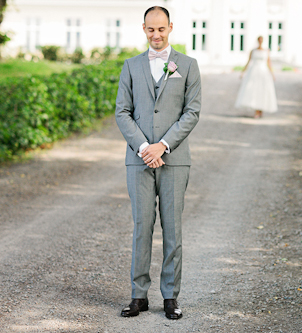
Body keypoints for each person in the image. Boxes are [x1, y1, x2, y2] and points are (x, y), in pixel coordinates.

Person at [115, 6, 201, 320]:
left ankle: (170, 297)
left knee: (173, 230)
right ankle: (139, 296)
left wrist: (162, 146)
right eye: (151, 29)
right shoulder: (130, 66)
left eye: (161, 29)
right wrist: (143, 148)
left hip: (174, 159)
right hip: (138, 160)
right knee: (141, 227)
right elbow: (122, 112)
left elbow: (191, 112)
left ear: (170, 28)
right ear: (143, 29)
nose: (156, 35)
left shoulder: (188, 66)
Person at [235, 36, 278, 118]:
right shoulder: (253, 51)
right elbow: (248, 62)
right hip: (254, 72)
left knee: (263, 90)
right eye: (259, 40)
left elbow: (269, 63)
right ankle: (257, 111)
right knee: (255, 90)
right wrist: (243, 72)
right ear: (257, 41)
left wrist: (272, 74)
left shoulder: (266, 51)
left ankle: (261, 110)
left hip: (263, 72)